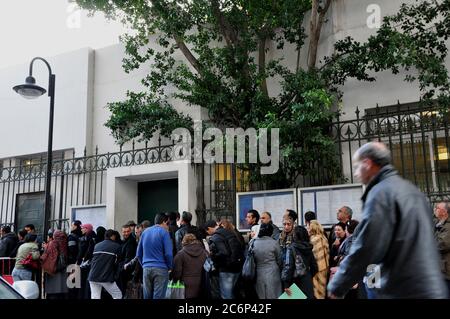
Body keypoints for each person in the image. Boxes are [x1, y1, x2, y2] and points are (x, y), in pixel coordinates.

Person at [327, 142, 448, 299]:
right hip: (430, 286)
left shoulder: (381, 193)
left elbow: (366, 247)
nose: (356, 173)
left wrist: (338, 284)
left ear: (367, 163)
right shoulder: (413, 191)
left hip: (400, 289)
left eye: (357, 167)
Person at [205, 220, 244, 299]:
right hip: (237, 267)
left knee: (226, 296)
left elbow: (224, 253)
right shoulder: (229, 232)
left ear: (209, 228)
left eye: (207, 231)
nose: (208, 233)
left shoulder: (216, 236)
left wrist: (212, 255)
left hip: (226, 269)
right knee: (233, 293)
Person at [137, 213, 173, 299]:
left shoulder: (145, 232)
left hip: (146, 268)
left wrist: (144, 265)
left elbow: (138, 254)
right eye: (167, 224)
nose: (168, 226)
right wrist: (169, 266)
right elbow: (168, 253)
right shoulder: (164, 232)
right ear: (164, 222)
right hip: (161, 268)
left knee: (147, 297)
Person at [279, 218, 317, 299]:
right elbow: (315, 267)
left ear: (295, 236)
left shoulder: (291, 248)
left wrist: (286, 284)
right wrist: (308, 276)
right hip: (307, 281)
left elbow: (288, 267)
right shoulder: (308, 247)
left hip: (295, 281)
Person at [88, 229, 123, 299]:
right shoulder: (116, 246)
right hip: (106, 276)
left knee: (95, 297)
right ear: (113, 236)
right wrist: (115, 275)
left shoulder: (97, 245)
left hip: (92, 276)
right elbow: (118, 262)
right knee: (118, 295)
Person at [251, 223, 282, 299]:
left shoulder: (253, 243)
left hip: (259, 272)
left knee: (261, 294)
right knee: (274, 293)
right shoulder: (274, 243)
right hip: (273, 271)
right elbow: (280, 259)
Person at [172, 233, 208, 299]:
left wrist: (175, 280)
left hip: (185, 283)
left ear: (184, 242)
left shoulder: (180, 254)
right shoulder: (204, 252)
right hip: (201, 282)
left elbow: (177, 272)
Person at [40, 230, 69, 299]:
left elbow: (48, 255)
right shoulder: (65, 243)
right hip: (63, 268)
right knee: (60, 289)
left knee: (52, 290)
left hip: (53, 269)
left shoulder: (53, 243)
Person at [308, 220, 329, 299]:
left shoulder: (314, 239)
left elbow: (313, 256)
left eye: (309, 227)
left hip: (317, 268)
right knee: (322, 289)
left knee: (317, 291)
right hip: (325, 267)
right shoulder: (324, 238)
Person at [434, 201, 450, 295]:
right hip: (441, 268)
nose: (435, 209)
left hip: (447, 271)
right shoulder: (438, 223)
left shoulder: (448, 225)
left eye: (437, 208)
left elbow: (443, 244)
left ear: (444, 212)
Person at [77, 223, 96, 299]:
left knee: (84, 283)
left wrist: (81, 260)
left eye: (83, 228)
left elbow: (86, 251)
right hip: (86, 263)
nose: (81, 229)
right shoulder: (86, 237)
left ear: (87, 229)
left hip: (86, 264)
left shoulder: (89, 238)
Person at [118, 224, 137, 294]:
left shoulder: (131, 242)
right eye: (124, 232)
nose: (126, 233)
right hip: (124, 270)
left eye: (127, 231)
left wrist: (120, 269)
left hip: (126, 271)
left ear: (131, 231)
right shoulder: (124, 241)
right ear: (121, 232)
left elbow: (128, 258)